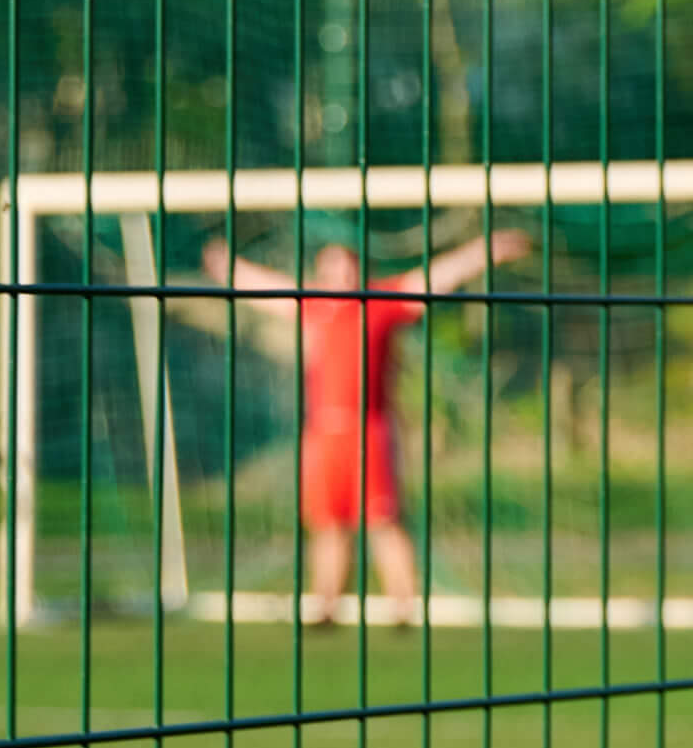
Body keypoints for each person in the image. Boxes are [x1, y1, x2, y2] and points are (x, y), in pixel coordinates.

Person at [203, 221, 531, 624]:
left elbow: (434, 278)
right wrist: (228, 269)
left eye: (347, 267)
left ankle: (404, 607)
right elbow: (267, 290)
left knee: (383, 520)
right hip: (323, 431)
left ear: (360, 271)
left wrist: (483, 250)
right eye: (332, 269)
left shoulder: (380, 302)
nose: (340, 276)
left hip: (370, 430)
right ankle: (325, 606)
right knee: (328, 523)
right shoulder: (313, 307)